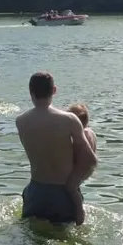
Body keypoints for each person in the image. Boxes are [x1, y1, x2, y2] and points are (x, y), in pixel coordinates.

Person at [15, 72, 97, 226]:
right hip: (63, 194)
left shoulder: (20, 121)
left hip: (35, 193)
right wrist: (73, 185)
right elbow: (90, 160)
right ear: (54, 90)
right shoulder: (69, 120)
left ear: (30, 91)